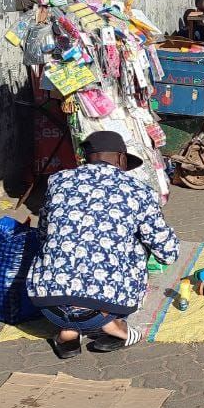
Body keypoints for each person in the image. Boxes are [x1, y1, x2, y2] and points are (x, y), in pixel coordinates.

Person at [28, 131, 180, 358]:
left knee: (58, 243)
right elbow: (168, 252)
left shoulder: (58, 181)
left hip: (49, 304)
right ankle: (114, 325)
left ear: (86, 158)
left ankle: (68, 332)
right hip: (104, 309)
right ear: (121, 159)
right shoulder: (139, 190)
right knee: (135, 242)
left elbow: (42, 233)